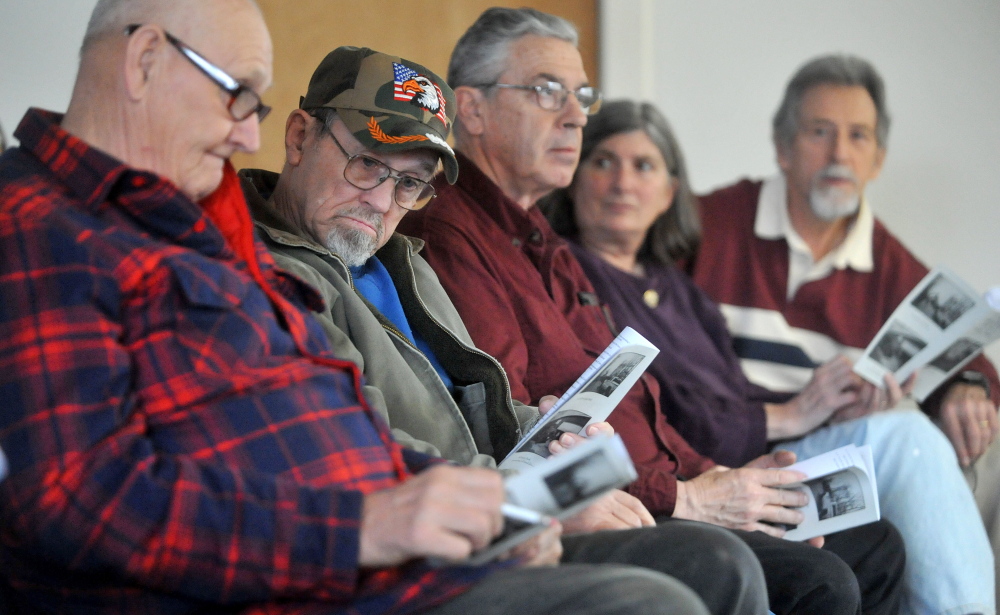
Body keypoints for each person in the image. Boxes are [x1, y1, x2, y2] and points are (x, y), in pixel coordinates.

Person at [0, 1, 715, 613]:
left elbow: (335, 423)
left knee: (705, 567)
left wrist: (506, 497)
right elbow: (72, 498)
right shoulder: (49, 225)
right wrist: (371, 524)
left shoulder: (191, 228)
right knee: (664, 594)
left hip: (401, 545)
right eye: (238, 95)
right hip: (335, 569)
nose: (247, 135)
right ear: (145, 60)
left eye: (410, 184)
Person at [398, 7, 906, 615]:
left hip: (661, 484)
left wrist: (722, 476)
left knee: (874, 543)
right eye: (547, 91)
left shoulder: (542, 240)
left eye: (582, 96)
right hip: (612, 505)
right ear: (472, 109)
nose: (575, 116)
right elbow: (516, 427)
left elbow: (644, 405)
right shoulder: (449, 232)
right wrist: (689, 496)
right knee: (817, 579)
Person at [240, 44, 770, 615]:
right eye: (368, 164)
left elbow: (475, 400)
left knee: (721, 561)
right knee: (699, 573)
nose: (381, 201)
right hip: (428, 545)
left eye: (410, 184)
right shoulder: (262, 273)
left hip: (496, 512)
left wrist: (551, 435)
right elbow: (359, 445)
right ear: (299, 137)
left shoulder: (402, 259)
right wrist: (535, 501)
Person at [542, 98, 995, 615]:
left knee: (879, 540)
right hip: (695, 474)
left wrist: (826, 407)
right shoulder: (571, 273)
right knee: (908, 440)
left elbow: (733, 392)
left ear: (669, 193)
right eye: (603, 162)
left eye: (643, 166)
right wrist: (791, 415)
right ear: (573, 179)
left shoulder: (676, 287)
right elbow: (669, 412)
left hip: (743, 456)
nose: (622, 183)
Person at [688, 55, 998, 613]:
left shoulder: (888, 261)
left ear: (878, 159)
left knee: (929, 437)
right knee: (908, 440)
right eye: (819, 132)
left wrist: (964, 385)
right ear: (782, 147)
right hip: (726, 460)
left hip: (810, 463)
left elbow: (965, 354)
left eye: (859, 136)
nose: (840, 154)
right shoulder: (710, 223)